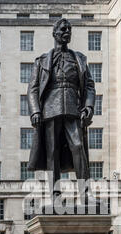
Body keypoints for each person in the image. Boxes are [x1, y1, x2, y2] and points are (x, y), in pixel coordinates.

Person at [27, 18, 96, 204]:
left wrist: (88, 106)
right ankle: (55, 196)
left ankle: (86, 194)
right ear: (55, 33)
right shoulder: (42, 61)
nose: (67, 32)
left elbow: (89, 85)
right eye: (63, 29)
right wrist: (35, 111)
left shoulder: (78, 58)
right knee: (53, 153)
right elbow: (32, 89)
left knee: (78, 147)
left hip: (73, 109)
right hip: (50, 110)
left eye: (69, 29)